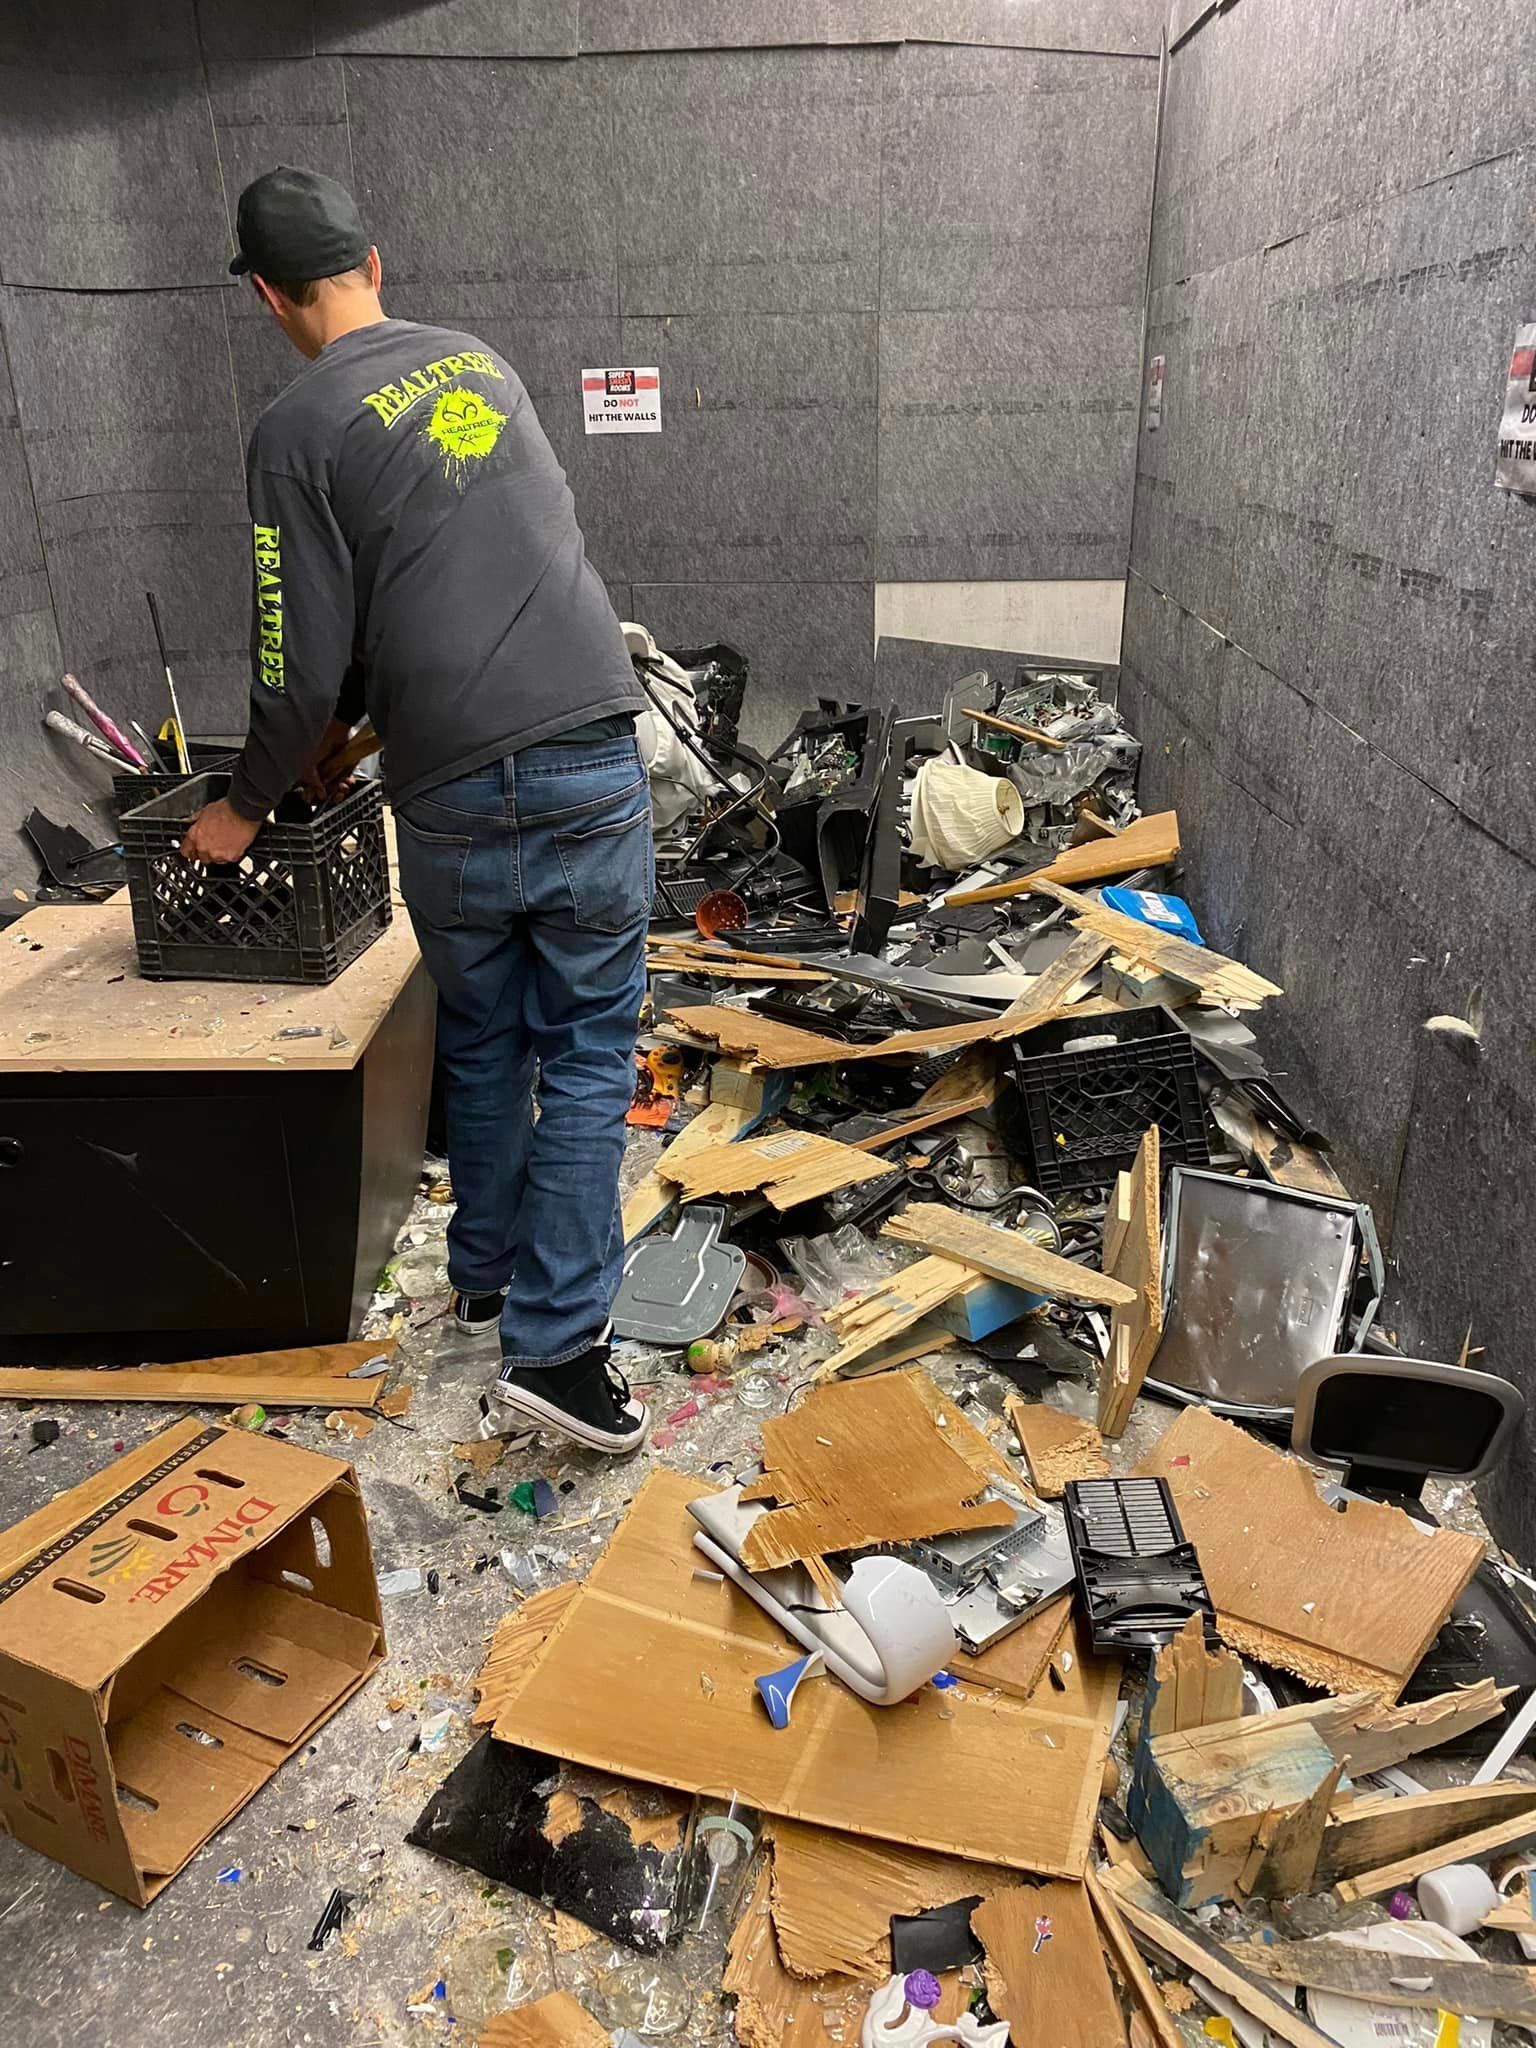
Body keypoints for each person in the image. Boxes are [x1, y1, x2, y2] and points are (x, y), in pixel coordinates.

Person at [184, 166, 652, 1455]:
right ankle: (553, 1341)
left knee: (489, 1043)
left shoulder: (293, 427)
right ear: (373, 266)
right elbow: (485, 573)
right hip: (586, 754)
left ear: (272, 296)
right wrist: (337, 725)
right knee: (591, 1058)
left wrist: (241, 806)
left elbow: (294, 660)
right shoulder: (482, 364)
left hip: (447, 790)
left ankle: (500, 1290)